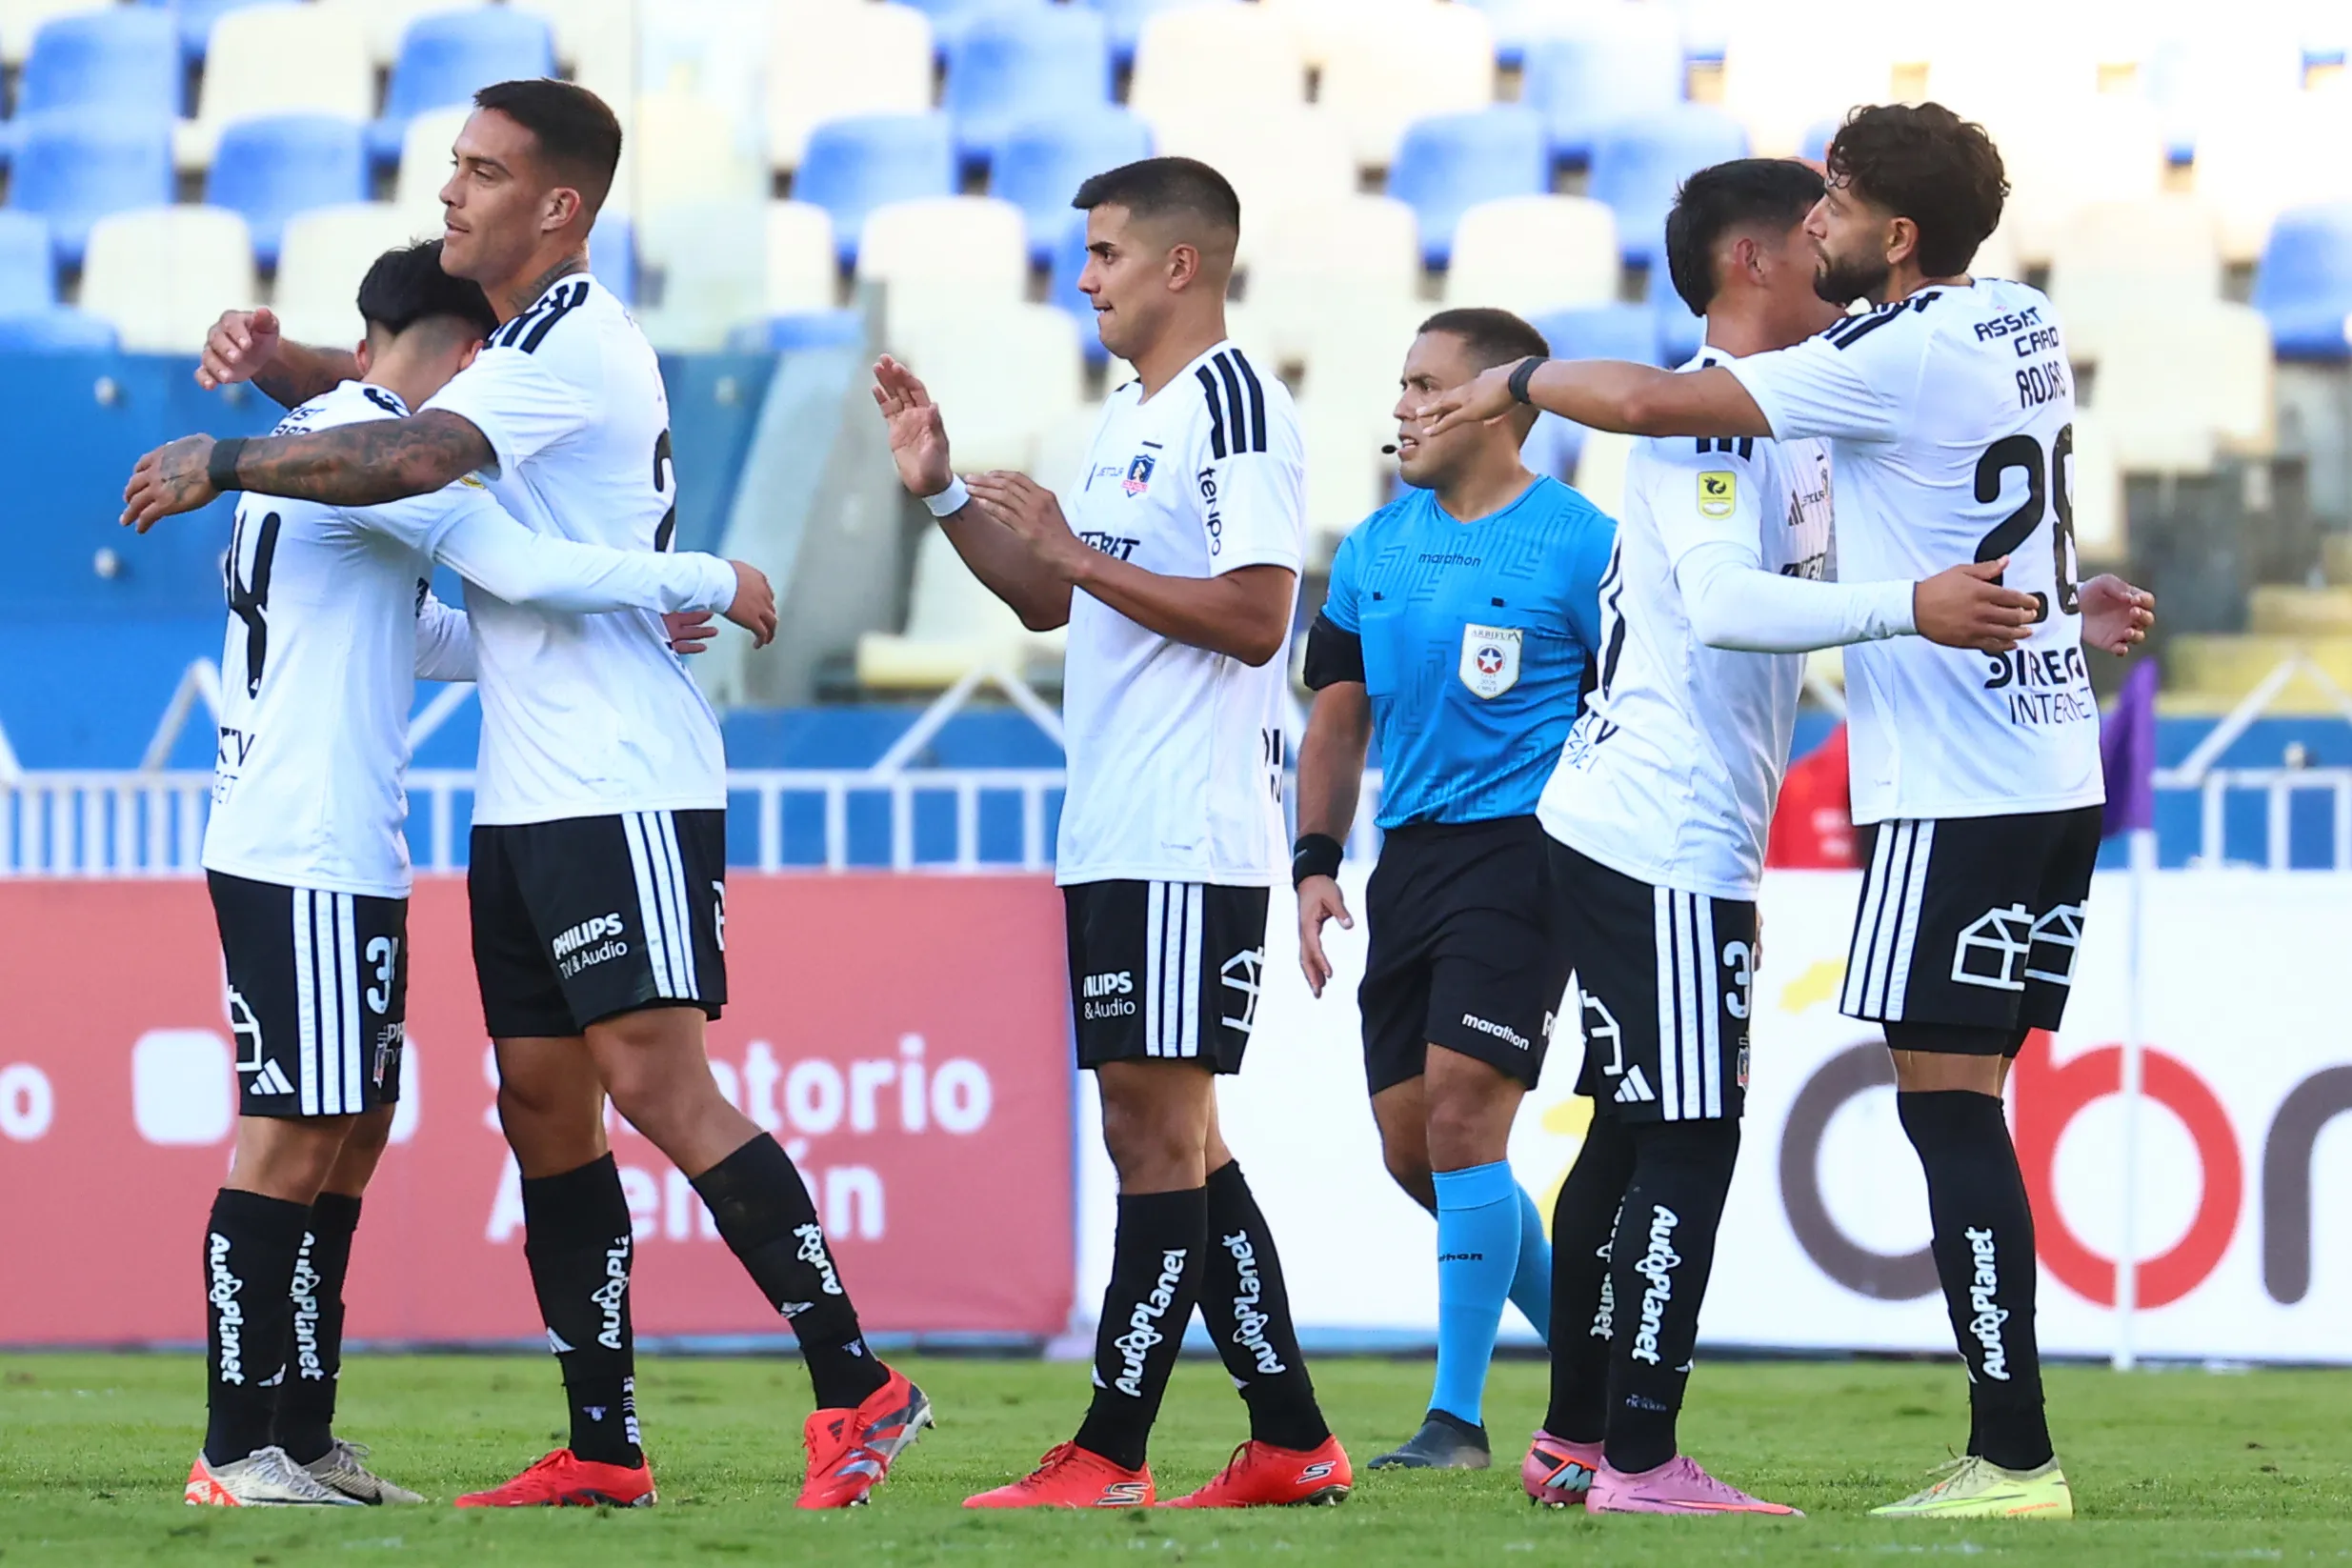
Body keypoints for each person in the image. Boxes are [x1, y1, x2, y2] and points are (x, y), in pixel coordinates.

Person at [124, 80, 930, 1512]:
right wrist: (290, 371)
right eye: (451, 166)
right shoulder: (509, 352)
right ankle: (604, 1442)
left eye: (482, 171)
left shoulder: (576, 338)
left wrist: (236, 443)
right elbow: (400, 419)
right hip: (521, 798)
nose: (451, 190)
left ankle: (855, 1380)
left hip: (620, 780)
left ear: (558, 206)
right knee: (543, 1107)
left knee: (658, 1090)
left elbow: (419, 452)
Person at [1425, 109, 2159, 1521]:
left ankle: (1633, 1441)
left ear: (1884, 235)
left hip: (1918, 793)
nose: (1822, 220)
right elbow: (1733, 588)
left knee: (1663, 1129)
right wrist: (1959, 600)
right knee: (1677, 1129)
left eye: (1842, 198)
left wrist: (1511, 375)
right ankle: (1628, 1450)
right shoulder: (1988, 326)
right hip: (1664, 819)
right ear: (1757, 256)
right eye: (1809, 203)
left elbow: (1924, 524)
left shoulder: (1841, 386)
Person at [179, 241, 774, 1508]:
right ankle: (236, 1449)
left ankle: (299, 1431)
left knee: (347, 1131)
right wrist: (707, 578)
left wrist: (616, 616)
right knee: (291, 1137)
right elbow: (528, 568)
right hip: (305, 848)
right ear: (469, 356)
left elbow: (444, 630)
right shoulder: (384, 457)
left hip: (326, 843)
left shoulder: (321, 436)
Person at [874, 155, 1349, 1509]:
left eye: (1103, 253)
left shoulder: (1238, 406)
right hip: (1122, 823)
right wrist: (949, 496)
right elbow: (1051, 604)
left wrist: (1081, 555)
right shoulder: (1128, 414)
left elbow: (1262, 613)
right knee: (1184, 1140)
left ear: (1180, 265)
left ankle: (1108, 1449)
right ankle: (1290, 1435)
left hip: (1186, 829)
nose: (1083, 278)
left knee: (1152, 1138)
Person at [1292, 308, 1613, 1471]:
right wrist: (1316, 861)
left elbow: (1633, 708)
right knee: (1414, 1148)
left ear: (1499, 402)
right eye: (1400, 386)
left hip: (1529, 852)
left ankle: (1459, 1421)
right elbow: (1337, 710)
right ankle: (1604, 1365)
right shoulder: (1376, 548)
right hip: (1412, 857)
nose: (1404, 407)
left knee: (1469, 1115)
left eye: (1428, 385)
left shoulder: (1584, 543)